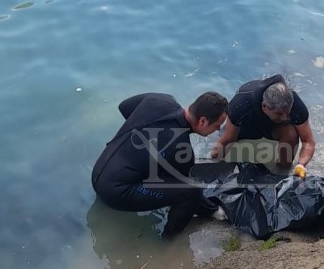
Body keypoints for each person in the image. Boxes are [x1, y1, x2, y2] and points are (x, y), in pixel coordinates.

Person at [91, 91, 228, 237]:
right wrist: (213, 210)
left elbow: (124, 107)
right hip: (115, 194)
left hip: (99, 171)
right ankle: (170, 241)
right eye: (217, 126)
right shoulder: (182, 150)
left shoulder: (161, 99)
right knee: (191, 190)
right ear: (203, 121)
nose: (217, 130)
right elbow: (187, 191)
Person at [210, 74, 315, 178]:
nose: (284, 118)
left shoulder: (296, 105)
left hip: (273, 127)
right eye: (279, 113)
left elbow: (308, 141)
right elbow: (227, 139)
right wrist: (212, 162)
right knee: (226, 139)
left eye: (287, 113)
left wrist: (301, 165)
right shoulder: (241, 104)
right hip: (247, 125)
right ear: (264, 106)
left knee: (290, 132)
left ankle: (282, 170)